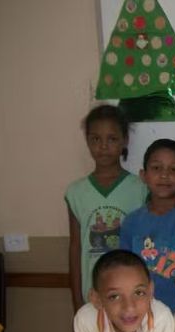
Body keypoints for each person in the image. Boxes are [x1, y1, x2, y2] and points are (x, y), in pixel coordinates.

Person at [66, 105, 146, 311]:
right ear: (87, 141)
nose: (103, 146)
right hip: (92, 297)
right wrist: (76, 300)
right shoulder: (75, 193)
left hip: (130, 298)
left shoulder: (141, 189)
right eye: (95, 139)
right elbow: (76, 248)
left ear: (124, 140)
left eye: (111, 139)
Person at [120, 139, 175, 314]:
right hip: (141, 317)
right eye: (157, 168)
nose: (164, 175)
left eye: (174, 169)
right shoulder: (131, 223)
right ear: (143, 175)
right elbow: (123, 272)